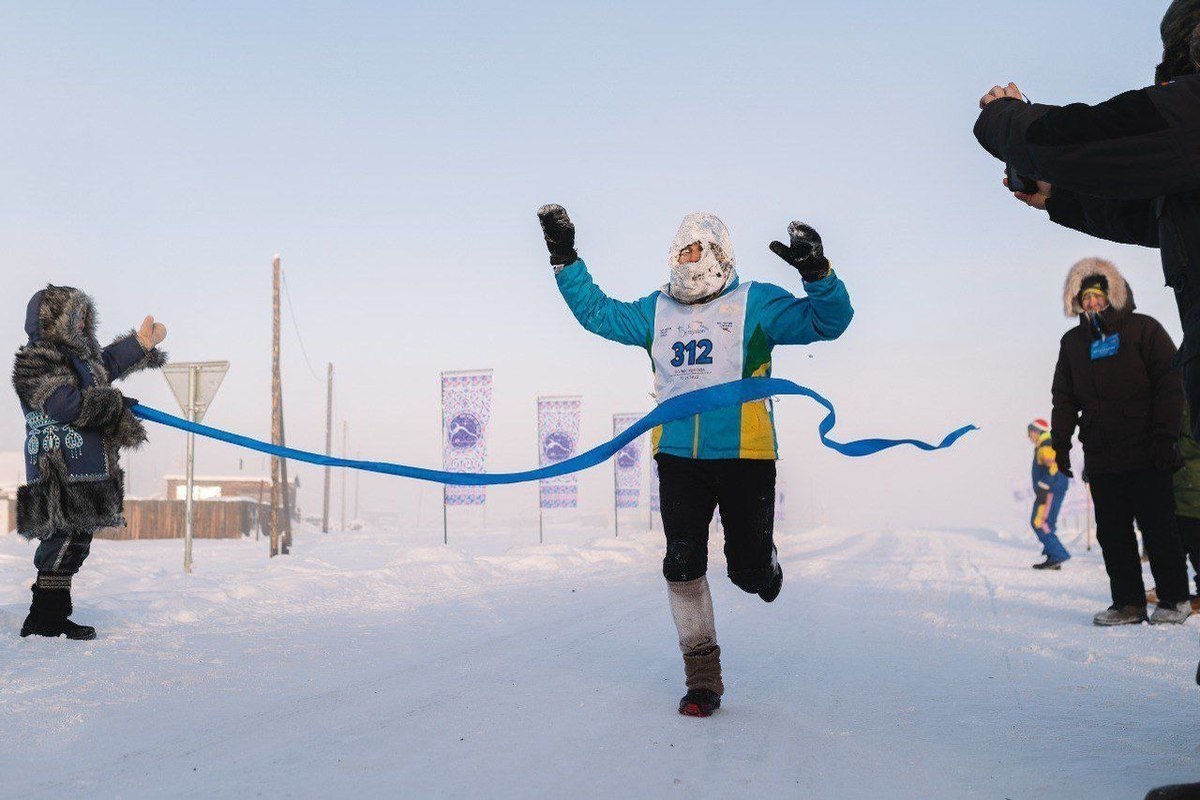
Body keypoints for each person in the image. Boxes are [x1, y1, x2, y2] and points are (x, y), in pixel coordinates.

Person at [537, 205, 853, 717]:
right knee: (681, 562)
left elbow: (829, 322)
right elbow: (596, 312)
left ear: (720, 254)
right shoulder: (657, 310)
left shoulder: (755, 302)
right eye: (681, 249)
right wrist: (564, 256)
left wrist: (817, 273)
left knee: (747, 574)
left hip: (746, 455)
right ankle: (702, 678)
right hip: (678, 456)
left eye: (697, 248)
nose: (688, 258)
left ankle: (762, 565)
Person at [973, 1, 1200, 445]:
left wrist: (1002, 119)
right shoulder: (1074, 345)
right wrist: (1063, 198)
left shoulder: (1143, 335)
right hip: (1106, 460)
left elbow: (1092, 137)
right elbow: (1161, 216)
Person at [12, 285, 167, 639]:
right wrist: (113, 403)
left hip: (86, 469)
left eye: (85, 316)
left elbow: (107, 363)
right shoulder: (38, 359)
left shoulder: (81, 361)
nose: (82, 323)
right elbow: (63, 405)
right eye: (75, 316)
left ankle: (52, 615)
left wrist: (140, 345)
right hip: (60, 469)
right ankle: (43, 619)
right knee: (61, 540)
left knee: (76, 543)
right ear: (55, 320)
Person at [1050, 258, 1191, 625]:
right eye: (1086, 299)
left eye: (1098, 296)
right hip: (1102, 453)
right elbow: (1064, 398)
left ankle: (1174, 599)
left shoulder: (1143, 330)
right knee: (1113, 534)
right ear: (1077, 303)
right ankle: (1128, 603)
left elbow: (1169, 383)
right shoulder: (1073, 342)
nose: (1092, 304)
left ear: (1113, 296)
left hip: (1148, 451)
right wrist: (1060, 443)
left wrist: (1166, 436)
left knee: (1158, 528)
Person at [1027, 418, 1071, 570]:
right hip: (1052, 489)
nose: (1029, 436)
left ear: (1036, 431)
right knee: (1047, 522)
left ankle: (1058, 554)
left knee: (1039, 522)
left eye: (1030, 432)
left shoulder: (1045, 445)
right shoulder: (1047, 443)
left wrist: (1044, 484)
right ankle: (1053, 558)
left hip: (1050, 490)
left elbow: (1054, 466)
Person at [1174, 409, 1200, 609]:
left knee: (1194, 542)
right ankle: (1174, 589)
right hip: (1182, 485)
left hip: (1192, 485)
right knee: (1176, 544)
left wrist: (1167, 445)